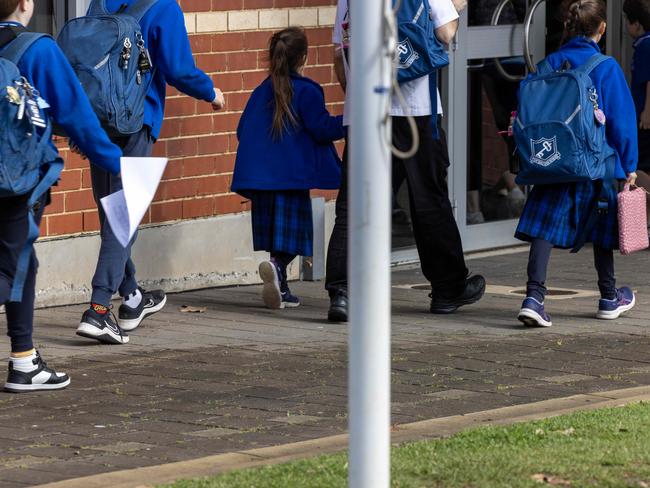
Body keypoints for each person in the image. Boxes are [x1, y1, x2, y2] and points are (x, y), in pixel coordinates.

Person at [76, 0, 226, 345]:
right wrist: (211, 93)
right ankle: (98, 310)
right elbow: (178, 70)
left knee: (112, 212)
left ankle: (131, 297)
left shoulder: (98, 3)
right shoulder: (164, 7)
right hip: (135, 122)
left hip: (98, 121)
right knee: (123, 217)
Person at [327, 0, 486, 322]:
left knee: (354, 204)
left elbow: (339, 53)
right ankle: (447, 288)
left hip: (365, 112)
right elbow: (445, 32)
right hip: (416, 110)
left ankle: (342, 291)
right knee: (429, 200)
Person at [0, 0, 123, 391]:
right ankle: (22, 362)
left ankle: (24, 358)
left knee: (23, 263)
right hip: (15, 180)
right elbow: (76, 115)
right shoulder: (37, 49)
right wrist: (116, 161)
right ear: (25, 4)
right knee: (14, 265)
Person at [516, 0, 638, 328]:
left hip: (551, 161)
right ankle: (609, 297)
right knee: (602, 229)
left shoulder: (549, 63)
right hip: (594, 165)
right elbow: (622, 122)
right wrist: (629, 166)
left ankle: (533, 297)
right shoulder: (606, 66)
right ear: (602, 28)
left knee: (543, 228)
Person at [232, 27, 344, 309]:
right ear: (304, 58)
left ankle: (280, 288)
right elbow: (322, 128)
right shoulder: (307, 91)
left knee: (275, 235)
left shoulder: (260, 91)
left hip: (260, 179)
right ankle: (277, 266)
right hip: (292, 178)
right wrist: (352, 119)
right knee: (296, 237)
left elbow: (241, 129)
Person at [623, 0, 650, 224]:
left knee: (638, 168)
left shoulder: (645, 46)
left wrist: (646, 112)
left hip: (645, 119)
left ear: (637, 24)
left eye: (627, 21)